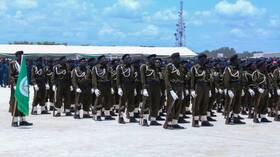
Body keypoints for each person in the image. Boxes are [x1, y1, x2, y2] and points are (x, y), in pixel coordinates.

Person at [9, 51, 33, 127]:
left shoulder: (23, 64)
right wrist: (14, 84)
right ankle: (15, 120)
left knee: (23, 99)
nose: (21, 57)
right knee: (15, 101)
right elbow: (11, 75)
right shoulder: (13, 64)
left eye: (22, 55)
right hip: (16, 84)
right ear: (17, 56)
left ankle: (23, 120)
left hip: (23, 85)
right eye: (19, 55)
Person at [190, 54, 213, 127]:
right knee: (196, 104)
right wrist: (192, 89)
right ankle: (195, 121)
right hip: (198, 86)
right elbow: (192, 79)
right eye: (202, 59)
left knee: (205, 103)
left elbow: (209, 79)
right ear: (199, 59)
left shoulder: (207, 68)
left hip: (205, 86)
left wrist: (209, 89)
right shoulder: (194, 68)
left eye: (205, 59)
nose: (204, 60)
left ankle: (204, 120)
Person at [163, 53, 185, 129]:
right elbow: (166, 79)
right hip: (172, 87)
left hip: (179, 87)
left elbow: (182, 79)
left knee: (178, 105)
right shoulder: (169, 66)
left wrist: (182, 90)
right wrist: (170, 90)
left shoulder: (180, 67)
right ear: (173, 59)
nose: (179, 59)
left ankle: (175, 122)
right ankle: (168, 123)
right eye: (177, 58)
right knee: (171, 106)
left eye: (179, 58)